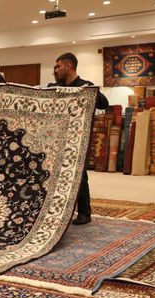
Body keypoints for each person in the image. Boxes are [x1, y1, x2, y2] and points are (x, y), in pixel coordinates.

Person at [48, 52, 109, 225]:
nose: (56, 69)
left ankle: (84, 213)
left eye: (58, 66)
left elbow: (104, 104)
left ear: (69, 66)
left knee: (79, 175)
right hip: (57, 138)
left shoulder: (85, 86)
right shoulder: (55, 87)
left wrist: (91, 92)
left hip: (79, 138)